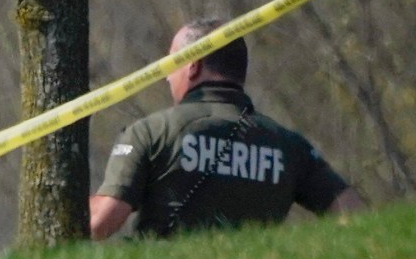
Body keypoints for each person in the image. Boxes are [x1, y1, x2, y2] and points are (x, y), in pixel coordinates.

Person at [89, 19, 366, 240]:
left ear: (193, 66)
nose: (165, 76)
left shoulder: (151, 132)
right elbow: (354, 215)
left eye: (170, 64)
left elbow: (100, 223)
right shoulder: (291, 146)